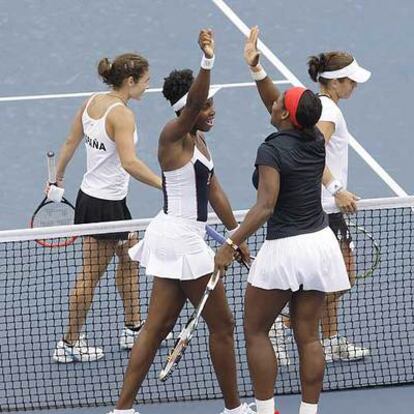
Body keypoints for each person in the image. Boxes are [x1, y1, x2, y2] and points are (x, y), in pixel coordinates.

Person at [110, 29, 255, 414]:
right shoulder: (174, 135)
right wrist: (207, 60)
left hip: (179, 234)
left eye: (211, 106)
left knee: (156, 329)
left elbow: (214, 190)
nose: (211, 111)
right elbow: (193, 107)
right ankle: (235, 409)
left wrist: (235, 235)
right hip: (182, 240)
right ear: (187, 107)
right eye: (205, 106)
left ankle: (122, 410)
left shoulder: (199, 140)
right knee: (222, 326)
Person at [214, 27, 351, 414]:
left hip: (285, 250)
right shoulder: (314, 140)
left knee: (256, 330)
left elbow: (265, 206)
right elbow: (279, 103)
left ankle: (265, 408)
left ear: (286, 117)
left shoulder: (270, 150)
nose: (272, 106)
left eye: (278, 106)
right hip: (319, 246)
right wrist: (256, 69)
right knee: (308, 336)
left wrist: (229, 244)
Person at [51, 53, 162, 363]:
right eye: (145, 80)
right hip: (105, 205)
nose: (148, 86)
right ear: (130, 81)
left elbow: (70, 143)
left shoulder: (92, 102)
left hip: (95, 198)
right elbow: (129, 163)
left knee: (130, 255)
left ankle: (133, 328)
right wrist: (164, 184)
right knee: (90, 275)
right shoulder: (122, 115)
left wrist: (56, 178)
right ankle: (69, 343)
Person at [307, 50, 371, 362]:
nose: (355, 86)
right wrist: (337, 190)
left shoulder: (322, 105)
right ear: (335, 82)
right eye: (351, 81)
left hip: (323, 207)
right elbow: (312, 151)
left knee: (335, 276)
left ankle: (330, 341)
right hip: (324, 208)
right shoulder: (328, 111)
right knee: (342, 276)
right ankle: (283, 324)